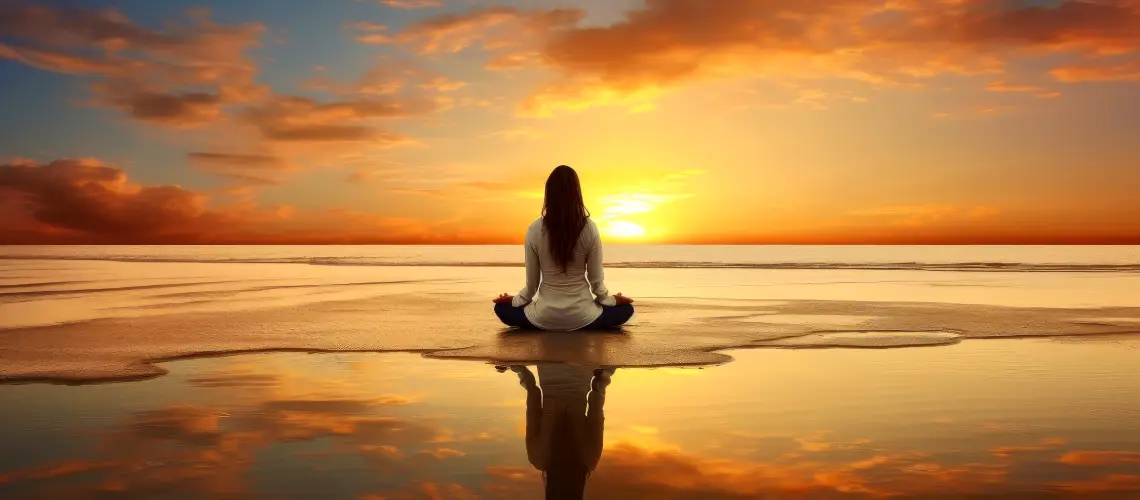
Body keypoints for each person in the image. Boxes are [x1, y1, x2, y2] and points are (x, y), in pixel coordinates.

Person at [492, 165, 635, 331]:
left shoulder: (534, 229)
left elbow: (531, 287)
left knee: (501, 309)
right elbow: (597, 283)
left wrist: (515, 300)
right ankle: (583, 318)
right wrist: (612, 300)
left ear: (549, 194)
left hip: (545, 317)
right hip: (583, 316)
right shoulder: (590, 228)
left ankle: (547, 320)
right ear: (576, 193)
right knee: (626, 309)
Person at [499, 364, 613, 500]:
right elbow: (533, 392)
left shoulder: (589, 461)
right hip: (549, 368)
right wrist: (512, 366)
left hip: (582, 368)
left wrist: (606, 372)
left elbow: (597, 398)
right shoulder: (538, 457)